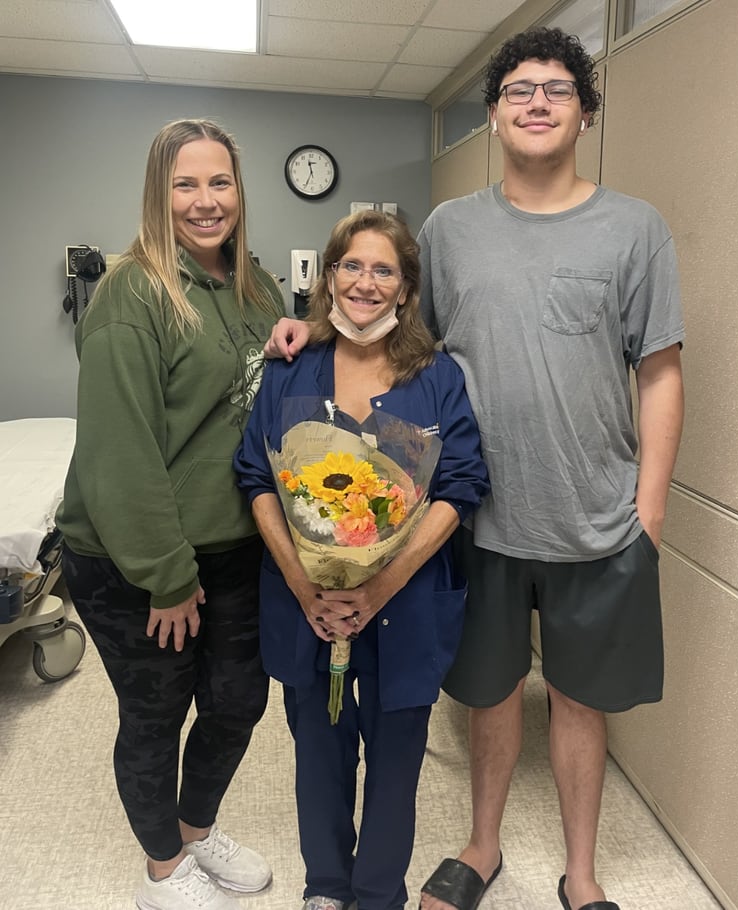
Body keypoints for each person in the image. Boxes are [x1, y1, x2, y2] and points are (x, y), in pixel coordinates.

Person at [265, 24, 685, 910]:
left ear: (584, 110)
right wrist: (306, 329)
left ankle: (582, 874)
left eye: (557, 89)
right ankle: (483, 848)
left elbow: (659, 368)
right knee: (490, 695)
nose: (537, 103)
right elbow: (396, 335)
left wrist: (649, 510)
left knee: (578, 701)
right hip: (471, 520)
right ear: (494, 115)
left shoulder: (635, 229)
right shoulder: (451, 230)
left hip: (596, 517)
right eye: (519, 90)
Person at [56, 119, 287, 910]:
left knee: (238, 703)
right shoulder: (133, 294)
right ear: (159, 194)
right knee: (156, 714)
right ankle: (163, 868)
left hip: (233, 546)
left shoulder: (256, 288)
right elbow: (120, 455)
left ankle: (196, 831)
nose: (204, 200)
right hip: (137, 557)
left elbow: (264, 398)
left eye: (219, 181)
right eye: (184, 184)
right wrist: (165, 576)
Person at [234, 209, 489, 910]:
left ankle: (377, 895)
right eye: (352, 266)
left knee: (395, 767)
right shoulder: (292, 367)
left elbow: (461, 486)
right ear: (330, 275)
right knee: (318, 759)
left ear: (406, 288)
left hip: (403, 611)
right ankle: (325, 887)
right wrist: (301, 582)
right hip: (306, 611)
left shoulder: (434, 378)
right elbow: (258, 476)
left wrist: (378, 588)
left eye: (385, 270)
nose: (366, 283)